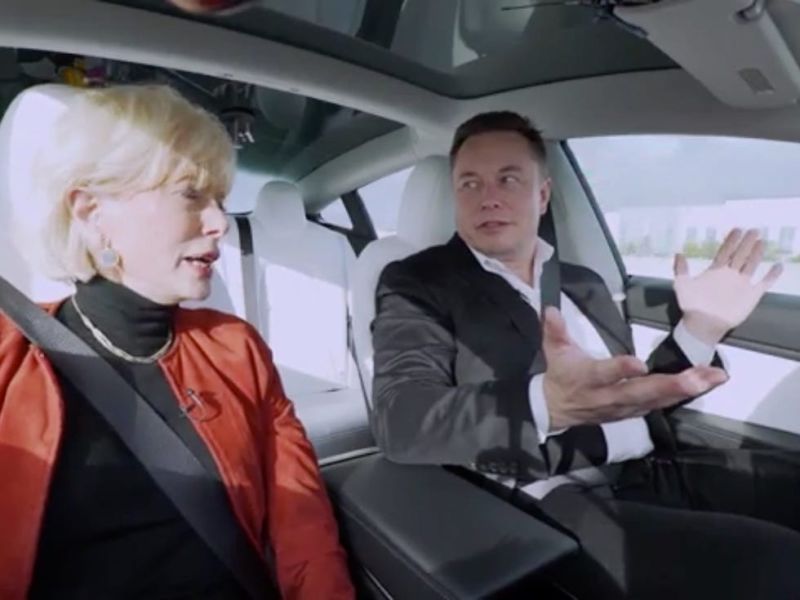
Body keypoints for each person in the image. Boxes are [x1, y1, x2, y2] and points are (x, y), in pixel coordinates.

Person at [371, 111, 800, 599]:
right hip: (552, 495)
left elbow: (630, 391)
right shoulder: (418, 282)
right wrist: (544, 404)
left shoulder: (582, 282)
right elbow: (400, 418)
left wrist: (701, 327)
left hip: (651, 467)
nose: (487, 196)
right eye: (468, 183)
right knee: (777, 568)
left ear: (543, 194)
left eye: (508, 178)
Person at [0, 84, 354, 599]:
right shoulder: (9, 358)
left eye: (220, 202)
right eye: (191, 194)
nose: (219, 224)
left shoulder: (238, 349)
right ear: (91, 211)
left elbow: (303, 526)